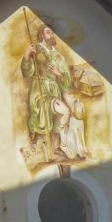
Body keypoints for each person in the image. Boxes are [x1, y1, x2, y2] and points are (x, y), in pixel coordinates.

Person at [21, 25, 73, 159]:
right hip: (39, 92)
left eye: (52, 32)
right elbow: (27, 72)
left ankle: (60, 146)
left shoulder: (59, 57)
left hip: (54, 91)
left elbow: (66, 81)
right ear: (41, 35)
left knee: (65, 113)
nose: (52, 35)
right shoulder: (35, 50)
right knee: (43, 118)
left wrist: (59, 74)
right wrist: (27, 55)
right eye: (48, 32)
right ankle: (38, 141)